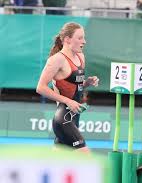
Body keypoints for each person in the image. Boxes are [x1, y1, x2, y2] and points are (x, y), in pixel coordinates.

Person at [36, 22, 99, 154]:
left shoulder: (81, 57)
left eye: (84, 37)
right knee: (85, 155)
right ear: (67, 39)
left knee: (58, 164)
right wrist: (68, 101)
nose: (84, 41)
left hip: (74, 117)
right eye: (80, 38)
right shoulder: (56, 60)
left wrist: (87, 82)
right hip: (63, 119)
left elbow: (76, 86)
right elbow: (41, 88)